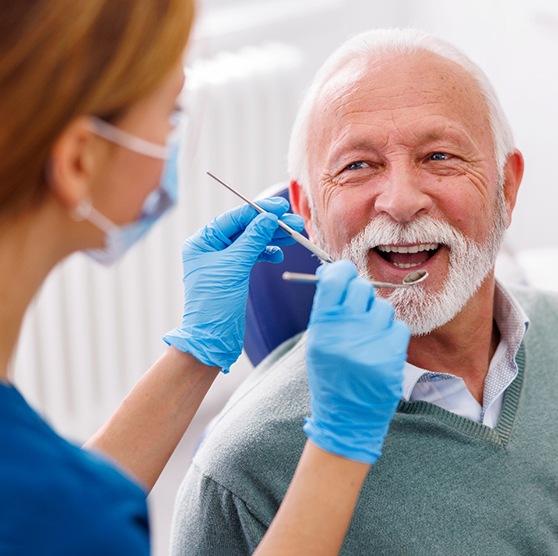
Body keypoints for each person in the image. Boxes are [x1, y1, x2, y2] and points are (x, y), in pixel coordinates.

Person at [0, 2, 411, 554]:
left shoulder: (49, 499)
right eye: (171, 115)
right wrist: (341, 443)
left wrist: (195, 352)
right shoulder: (74, 510)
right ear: (78, 161)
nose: (400, 200)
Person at [171, 27, 558, 555]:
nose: (400, 202)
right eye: (358, 165)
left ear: (507, 188)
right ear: (306, 212)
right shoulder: (244, 478)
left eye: (439, 156)